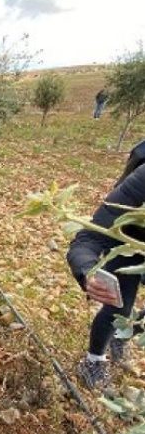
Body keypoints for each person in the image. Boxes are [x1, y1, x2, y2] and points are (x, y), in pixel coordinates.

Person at [67, 141, 145, 388]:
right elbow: (88, 239)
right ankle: (94, 359)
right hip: (131, 240)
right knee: (119, 305)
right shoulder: (141, 180)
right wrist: (88, 272)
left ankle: (124, 335)